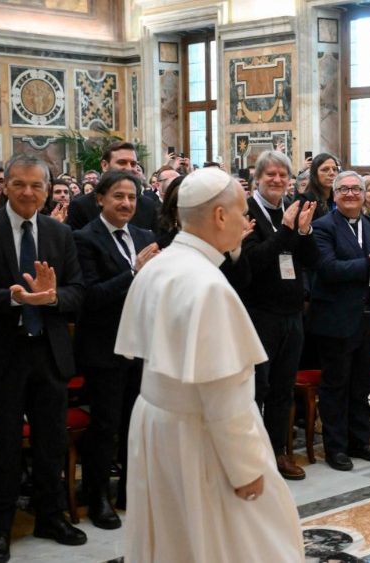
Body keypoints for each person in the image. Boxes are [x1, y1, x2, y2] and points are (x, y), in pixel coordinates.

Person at [115, 167, 304, 562]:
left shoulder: (160, 265)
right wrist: (246, 468)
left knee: (174, 538)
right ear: (219, 216)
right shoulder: (209, 286)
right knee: (245, 540)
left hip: (158, 424)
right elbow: (224, 394)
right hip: (199, 437)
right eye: (240, 212)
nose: (245, 221)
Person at [0, 155, 86, 563]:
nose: (28, 192)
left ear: (48, 191)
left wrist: (52, 298)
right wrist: (12, 297)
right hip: (2, 355)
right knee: (5, 444)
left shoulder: (59, 234)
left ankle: (50, 515)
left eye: (36, 185)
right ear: (5, 186)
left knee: (50, 440)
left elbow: (78, 293)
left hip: (48, 353)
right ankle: (0, 527)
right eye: (19, 184)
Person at [73, 170, 159, 529]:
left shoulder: (145, 235)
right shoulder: (84, 239)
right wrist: (135, 272)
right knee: (105, 425)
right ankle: (98, 498)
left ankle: (129, 491)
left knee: (134, 424)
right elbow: (90, 297)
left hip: (141, 344)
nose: (126, 203)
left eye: (131, 198)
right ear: (100, 199)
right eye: (118, 197)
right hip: (104, 346)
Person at [232, 150, 319, 481]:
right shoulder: (247, 212)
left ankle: (279, 451)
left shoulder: (291, 209)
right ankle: (253, 457)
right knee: (258, 388)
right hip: (259, 313)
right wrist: (286, 231)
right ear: (257, 178)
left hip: (292, 312)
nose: (278, 180)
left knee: (283, 387)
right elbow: (253, 261)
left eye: (283, 175)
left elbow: (310, 260)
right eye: (270, 175)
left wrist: (305, 232)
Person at [309, 171, 370, 471]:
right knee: (336, 385)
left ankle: (359, 441)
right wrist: (369, 262)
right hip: (336, 318)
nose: (350, 194)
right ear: (334, 195)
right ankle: (336, 447)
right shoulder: (322, 228)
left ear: (364, 195)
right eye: (344, 189)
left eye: (356, 189)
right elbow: (327, 269)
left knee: (362, 383)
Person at [66, 142, 159, 231]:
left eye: (133, 164)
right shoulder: (81, 206)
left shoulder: (148, 206)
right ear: (105, 165)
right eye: (122, 162)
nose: (129, 168)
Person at [298, 152, 340, 220]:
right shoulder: (305, 201)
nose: (332, 173)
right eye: (325, 170)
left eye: (334, 169)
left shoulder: (338, 198)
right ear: (315, 174)